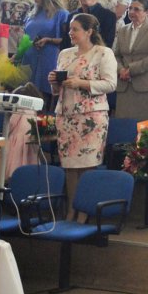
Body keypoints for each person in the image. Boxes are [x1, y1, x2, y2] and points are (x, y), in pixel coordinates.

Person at [49, 13, 116, 213]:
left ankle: (86, 211)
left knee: (87, 165)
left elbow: (111, 84)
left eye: (75, 29)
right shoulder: (65, 54)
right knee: (69, 166)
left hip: (90, 116)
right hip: (66, 114)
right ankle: (71, 209)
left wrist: (82, 83)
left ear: (89, 31)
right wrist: (54, 82)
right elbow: (56, 90)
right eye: (70, 29)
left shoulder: (103, 53)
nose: (70, 33)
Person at [112, 0, 148, 120]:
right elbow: (116, 55)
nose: (131, 12)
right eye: (130, 8)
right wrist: (120, 70)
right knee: (124, 128)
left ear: (147, 12)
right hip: (125, 86)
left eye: (137, 9)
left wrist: (130, 69)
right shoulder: (123, 30)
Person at [24, 0, 70, 93]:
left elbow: (67, 40)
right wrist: (18, 54)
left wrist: (48, 40)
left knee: (46, 93)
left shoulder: (61, 14)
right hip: (30, 57)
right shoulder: (32, 13)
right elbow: (26, 36)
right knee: (28, 91)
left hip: (49, 57)